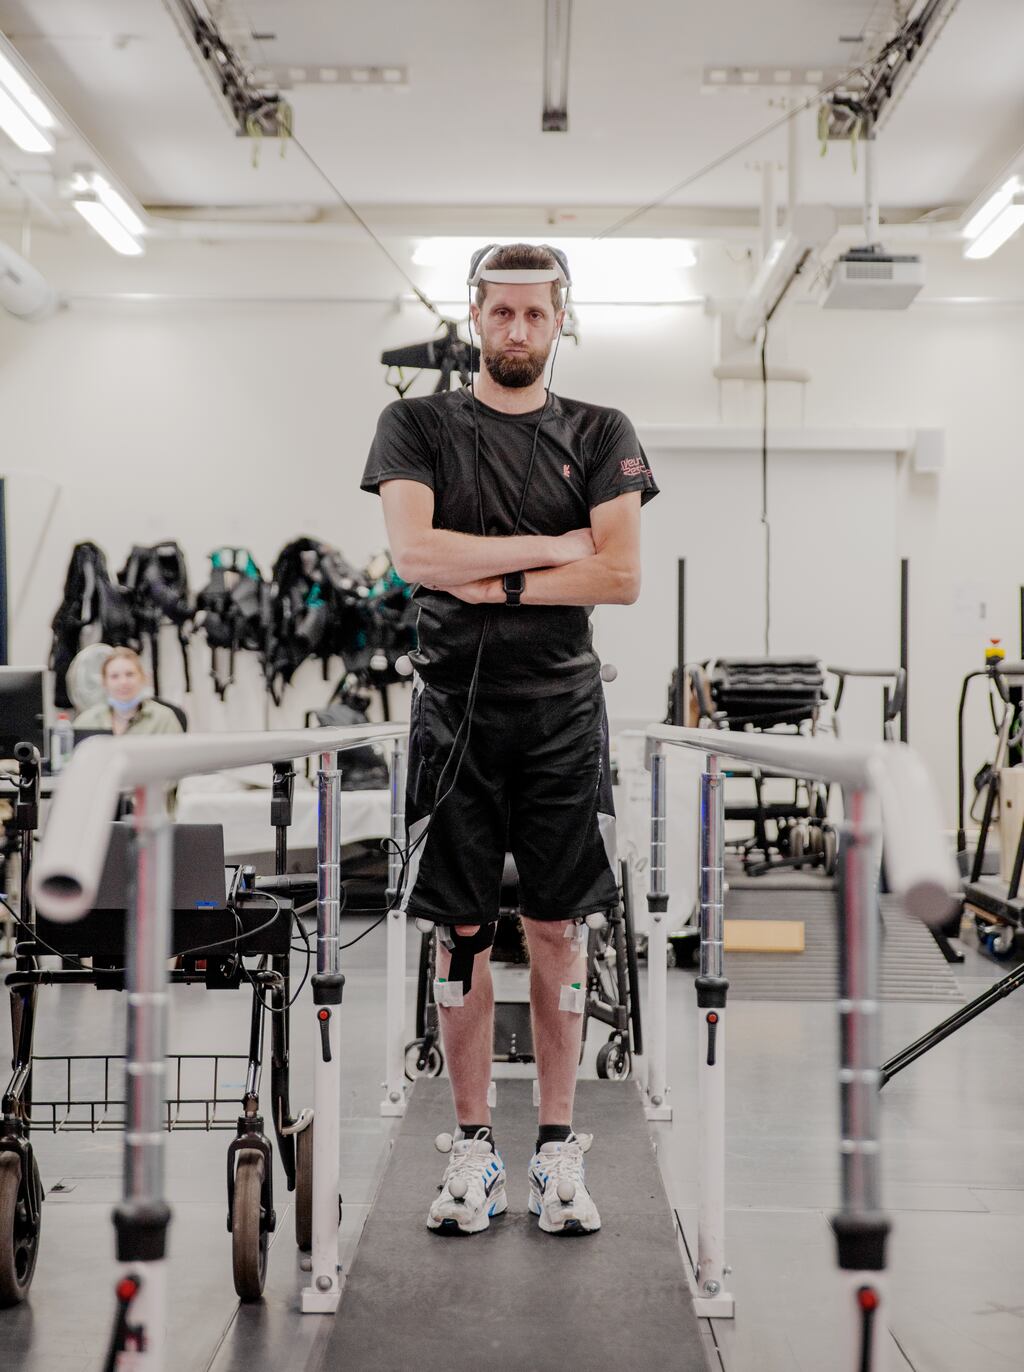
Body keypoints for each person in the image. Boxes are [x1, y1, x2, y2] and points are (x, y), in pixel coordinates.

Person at [361, 243, 657, 1237]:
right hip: (451, 712)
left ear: (559, 319)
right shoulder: (416, 424)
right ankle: (475, 1152)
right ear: (476, 315)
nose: (519, 330)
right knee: (456, 933)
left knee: (559, 928)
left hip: (563, 713)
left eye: (537, 315)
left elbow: (620, 576)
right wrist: (554, 545)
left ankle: (559, 1150)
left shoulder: (601, 429)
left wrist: (497, 580)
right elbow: (413, 554)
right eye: (503, 313)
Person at [74, 646, 184, 737]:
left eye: (130, 674)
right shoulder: (86, 721)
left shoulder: (164, 719)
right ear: (104, 683)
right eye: (114, 676)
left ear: (143, 678)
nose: (123, 682)